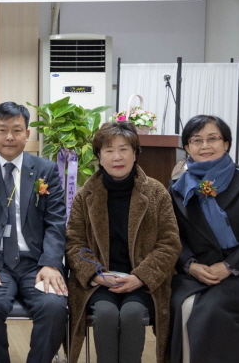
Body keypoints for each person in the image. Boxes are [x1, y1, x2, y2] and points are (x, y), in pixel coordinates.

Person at [0, 102, 68, 363]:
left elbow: (56, 222)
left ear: (27, 134)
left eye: (16, 130)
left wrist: (51, 263)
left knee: (54, 308)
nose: (9, 137)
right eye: (2, 130)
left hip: (36, 263)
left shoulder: (46, 170)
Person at [66, 121, 181, 363]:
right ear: (99, 156)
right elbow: (74, 243)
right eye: (108, 150)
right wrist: (97, 274)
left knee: (132, 313)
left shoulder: (156, 192)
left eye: (124, 149)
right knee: (105, 314)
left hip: (143, 281)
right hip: (99, 281)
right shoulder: (85, 196)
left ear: (135, 153)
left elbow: (169, 243)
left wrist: (140, 276)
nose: (117, 157)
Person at [169, 115, 239, 363]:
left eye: (213, 139)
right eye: (196, 140)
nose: (205, 146)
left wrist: (230, 266)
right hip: (196, 272)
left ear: (226, 143)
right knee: (175, 303)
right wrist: (190, 265)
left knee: (211, 311)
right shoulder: (177, 189)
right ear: (187, 147)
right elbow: (171, 236)